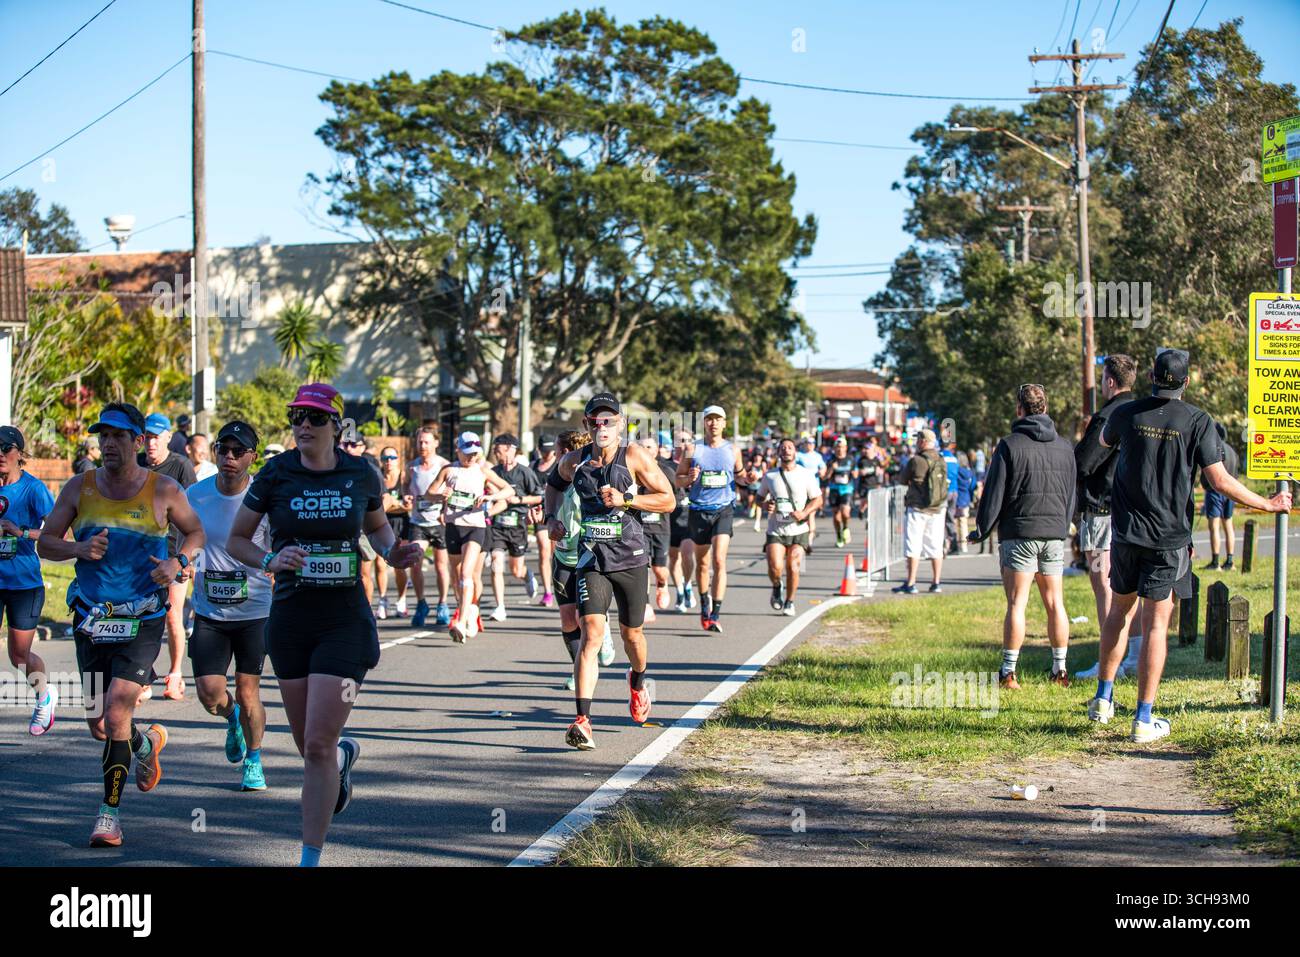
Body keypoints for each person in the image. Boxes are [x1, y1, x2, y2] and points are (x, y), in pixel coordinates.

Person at [225, 382, 423, 865]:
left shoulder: (360, 473)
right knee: (308, 747)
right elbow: (237, 541)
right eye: (297, 417)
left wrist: (395, 553)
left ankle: (309, 858)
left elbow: (376, 527)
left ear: (337, 425)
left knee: (315, 743)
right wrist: (272, 558)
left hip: (344, 621)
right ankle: (339, 762)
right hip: (291, 618)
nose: (304, 426)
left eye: (314, 418)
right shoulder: (275, 474)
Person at [1087, 350, 1292, 742]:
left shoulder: (1126, 414)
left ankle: (1103, 698)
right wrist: (1267, 503)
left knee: (1118, 613)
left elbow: (1102, 441)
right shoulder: (1198, 421)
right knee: (1155, 625)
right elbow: (1219, 480)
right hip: (1168, 539)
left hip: (1127, 534)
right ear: (1187, 381)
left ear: (1151, 376)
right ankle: (1143, 719)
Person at [39, 403, 206, 847]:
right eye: (103, 436)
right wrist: (78, 551)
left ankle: (108, 816)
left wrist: (178, 561)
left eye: (118, 436)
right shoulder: (80, 487)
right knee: (100, 723)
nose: (108, 444)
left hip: (143, 616)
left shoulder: (164, 488)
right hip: (91, 616)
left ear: (137, 441)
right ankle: (146, 744)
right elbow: (46, 543)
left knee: (116, 709)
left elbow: (195, 533)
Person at [544, 393, 675, 749]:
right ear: (587, 425)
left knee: (632, 636)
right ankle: (583, 721)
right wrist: (551, 519)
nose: (603, 427)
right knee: (591, 635)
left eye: (610, 421)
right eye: (596, 421)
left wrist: (626, 500)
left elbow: (668, 499)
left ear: (620, 424)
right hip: (591, 558)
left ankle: (637, 681)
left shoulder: (633, 456)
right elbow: (552, 487)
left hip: (630, 558)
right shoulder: (573, 461)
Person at [968, 384, 1077, 689]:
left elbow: (994, 492)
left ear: (1019, 409)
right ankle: (1059, 670)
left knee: (1018, 603)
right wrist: (1062, 524)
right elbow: (1071, 493)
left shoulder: (1009, 445)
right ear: (1045, 407)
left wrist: (982, 528)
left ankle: (1008, 672)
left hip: (1020, 532)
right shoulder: (1065, 447)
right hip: (1054, 533)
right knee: (1056, 603)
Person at [186, 421, 272, 791]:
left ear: (252, 457)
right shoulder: (195, 494)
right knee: (209, 692)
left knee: (248, 690)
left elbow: (278, 543)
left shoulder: (263, 498)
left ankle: (253, 759)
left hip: (254, 611)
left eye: (239, 452)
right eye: (224, 449)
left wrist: (274, 564)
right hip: (209, 610)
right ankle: (231, 717)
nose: (230, 458)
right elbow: (182, 538)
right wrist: (181, 559)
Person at [1073, 354, 1143, 680]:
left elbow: (1084, 462)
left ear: (1110, 382)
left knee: (1106, 589)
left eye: (1102, 378)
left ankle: (1108, 664)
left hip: (1101, 510)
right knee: (1133, 588)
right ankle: (1135, 657)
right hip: (1134, 512)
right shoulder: (1143, 413)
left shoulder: (1107, 417)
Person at [676, 405, 756, 633]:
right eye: (709, 419)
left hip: (724, 509)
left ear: (724, 423)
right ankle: (704, 606)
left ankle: (716, 613)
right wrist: (688, 477)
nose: (713, 423)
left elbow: (739, 476)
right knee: (702, 563)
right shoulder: (692, 449)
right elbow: (678, 480)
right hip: (699, 510)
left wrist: (748, 478)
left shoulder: (733, 450)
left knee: (719, 560)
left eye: (717, 419)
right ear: (704, 423)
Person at [427, 432, 513, 642]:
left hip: (475, 527)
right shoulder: (449, 470)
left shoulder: (482, 471)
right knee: (457, 577)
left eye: (475, 454)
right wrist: (441, 495)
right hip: (453, 527)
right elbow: (429, 493)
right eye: (467, 454)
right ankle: (470, 610)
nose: (471, 458)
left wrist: (489, 497)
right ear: (458, 450)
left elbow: (508, 490)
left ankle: (461, 621)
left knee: (467, 574)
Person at [0, 426, 58, 734]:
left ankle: (44, 696)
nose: (0, 454)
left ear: (19, 454)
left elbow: (58, 534)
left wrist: (20, 532)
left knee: (18, 655)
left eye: (6, 448)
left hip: (24, 584)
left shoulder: (33, 490)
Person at [549, 430, 616, 691]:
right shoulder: (555, 480)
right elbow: (550, 504)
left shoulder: (587, 477)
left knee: (583, 616)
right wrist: (547, 517)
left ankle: (604, 629)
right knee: (568, 619)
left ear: (566, 452)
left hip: (587, 553)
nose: (555, 455)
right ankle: (577, 667)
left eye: (557, 450)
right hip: (563, 555)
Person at [140, 412, 198, 702]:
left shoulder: (180, 465)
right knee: (140, 614)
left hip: (176, 553)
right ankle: (143, 675)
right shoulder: (135, 465)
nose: (150, 442)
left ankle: (175, 674)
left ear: (167, 437)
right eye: (146, 436)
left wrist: (190, 560)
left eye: (155, 437)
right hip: (142, 554)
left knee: (172, 615)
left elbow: (196, 513)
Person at [756, 437, 822, 616]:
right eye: (783, 448)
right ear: (778, 453)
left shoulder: (805, 474)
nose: (786, 450)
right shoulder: (770, 476)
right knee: (775, 566)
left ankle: (790, 602)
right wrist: (764, 505)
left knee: (793, 566)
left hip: (799, 528)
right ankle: (777, 586)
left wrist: (805, 513)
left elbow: (818, 499)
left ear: (795, 452)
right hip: (776, 529)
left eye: (790, 447)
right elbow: (759, 498)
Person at [487, 434, 542, 622]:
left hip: (518, 524)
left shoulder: (525, 472)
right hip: (498, 525)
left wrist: (518, 500)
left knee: (516, 570)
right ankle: (500, 607)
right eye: (494, 448)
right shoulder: (493, 472)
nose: (495, 451)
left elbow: (538, 497)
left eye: (498, 448)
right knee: (496, 563)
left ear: (511, 449)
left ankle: (527, 576)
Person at [405, 427, 452, 627]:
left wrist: (445, 509)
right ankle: (421, 602)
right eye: (420, 442)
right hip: (418, 522)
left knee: (441, 566)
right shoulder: (411, 466)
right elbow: (405, 486)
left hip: (438, 522)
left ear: (435, 443)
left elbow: (452, 490)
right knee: (415, 561)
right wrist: (406, 495)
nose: (422, 446)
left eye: (426, 442)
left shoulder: (444, 465)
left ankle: (442, 604)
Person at [892, 429, 948, 594]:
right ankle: (936, 582)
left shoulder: (916, 460)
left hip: (918, 508)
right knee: (935, 546)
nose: (916, 443)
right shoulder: (941, 459)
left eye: (918, 440)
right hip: (938, 508)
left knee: (913, 546)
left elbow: (903, 479)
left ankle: (911, 583)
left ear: (923, 442)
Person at [637, 435, 678, 618]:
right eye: (642, 447)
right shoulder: (632, 470)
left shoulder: (666, 472)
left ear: (656, 450)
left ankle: (662, 584)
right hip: (640, 528)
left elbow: (674, 498)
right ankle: (645, 605)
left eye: (649, 447)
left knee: (659, 570)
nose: (646, 450)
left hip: (661, 528)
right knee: (642, 567)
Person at [376, 446, 411, 619]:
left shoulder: (404, 476)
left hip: (401, 523)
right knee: (379, 563)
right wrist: (395, 505)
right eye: (385, 458)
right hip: (383, 521)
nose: (389, 461)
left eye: (392, 457)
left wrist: (394, 505)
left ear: (398, 459)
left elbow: (409, 505)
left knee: (399, 564)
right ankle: (382, 599)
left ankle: (402, 599)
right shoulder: (378, 477)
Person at [1202, 422, 1241, 570]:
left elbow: (1210, 472)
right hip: (1231, 492)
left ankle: (1215, 561)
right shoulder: (1232, 451)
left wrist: (1205, 485)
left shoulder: (1214, 448)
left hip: (1215, 492)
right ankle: (1230, 561)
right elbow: (1236, 475)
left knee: (1214, 526)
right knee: (1228, 525)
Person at [668, 429, 697, 612]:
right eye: (680, 440)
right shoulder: (666, 465)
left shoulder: (696, 464)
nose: (684, 444)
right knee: (673, 557)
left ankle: (687, 585)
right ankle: (679, 591)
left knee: (687, 554)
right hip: (670, 518)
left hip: (690, 517)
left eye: (687, 440)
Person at [530, 436, 560, 606]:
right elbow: (526, 486)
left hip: (556, 512)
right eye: (544, 451)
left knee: (555, 553)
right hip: (540, 513)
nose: (547, 454)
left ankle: (559, 584)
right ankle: (547, 591)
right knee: (543, 550)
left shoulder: (559, 464)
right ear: (539, 449)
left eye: (550, 451)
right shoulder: (533, 466)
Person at [794, 435, 826, 550]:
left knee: (811, 514)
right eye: (808, 443)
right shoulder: (799, 455)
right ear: (804, 444)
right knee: (800, 514)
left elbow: (823, 467)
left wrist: (822, 472)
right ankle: (797, 538)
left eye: (812, 443)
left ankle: (809, 541)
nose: (810, 445)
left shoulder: (818, 456)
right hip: (800, 489)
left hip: (813, 490)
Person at [825, 436, 856, 548]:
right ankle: (839, 535)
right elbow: (825, 477)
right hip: (834, 489)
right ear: (834, 448)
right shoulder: (830, 460)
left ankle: (846, 527)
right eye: (837, 447)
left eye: (842, 447)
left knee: (845, 513)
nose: (839, 449)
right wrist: (832, 469)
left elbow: (855, 473)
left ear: (845, 448)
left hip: (846, 488)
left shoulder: (850, 459)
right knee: (836, 516)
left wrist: (855, 473)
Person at [953, 452, 977, 552]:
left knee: (954, 523)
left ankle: (955, 544)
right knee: (963, 523)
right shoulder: (970, 472)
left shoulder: (956, 471)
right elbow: (973, 486)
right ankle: (964, 546)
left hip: (956, 499)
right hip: (966, 499)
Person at [940, 442, 960, 554]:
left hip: (944, 491)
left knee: (941, 518)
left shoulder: (940, 456)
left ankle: (942, 546)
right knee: (951, 519)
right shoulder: (954, 458)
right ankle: (954, 545)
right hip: (954, 490)